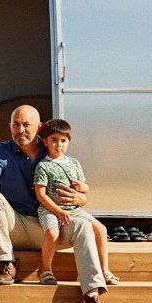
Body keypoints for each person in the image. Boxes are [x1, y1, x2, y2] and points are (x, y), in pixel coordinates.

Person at [0, 104, 110, 303]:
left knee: (83, 226)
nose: (20, 130)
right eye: (15, 125)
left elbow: (80, 190)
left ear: (38, 127)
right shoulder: (1, 151)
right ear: (10, 126)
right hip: (16, 226)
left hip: (52, 229)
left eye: (26, 125)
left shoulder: (54, 150)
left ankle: (92, 297)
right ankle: (8, 263)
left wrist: (81, 199)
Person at [31, 118, 118, 290]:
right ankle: (46, 270)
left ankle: (105, 270)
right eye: (54, 140)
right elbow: (40, 195)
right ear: (45, 142)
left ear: (68, 142)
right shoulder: (43, 166)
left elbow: (84, 188)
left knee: (101, 229)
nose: (58, 145)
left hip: (74, 209)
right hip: (50, 209)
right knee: (53, 234)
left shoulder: (74, 163)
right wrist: (59, 212)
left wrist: (84, 187)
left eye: (63, 141)